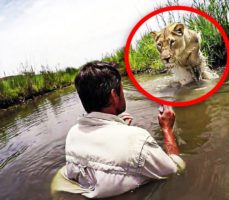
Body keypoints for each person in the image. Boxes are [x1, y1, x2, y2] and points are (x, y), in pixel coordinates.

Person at [51, 61, 185, 199]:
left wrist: (118, 126)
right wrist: (167, 129)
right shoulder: (137, 140)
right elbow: (175, 170)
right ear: (114, 95)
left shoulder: (73, 134)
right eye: (122, 89)